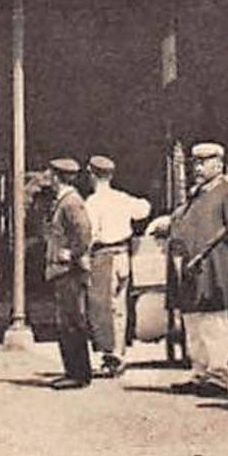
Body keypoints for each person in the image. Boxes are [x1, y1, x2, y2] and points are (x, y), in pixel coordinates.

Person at [167, 142, 228, 396]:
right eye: (196, 163)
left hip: (212, 267)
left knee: (214, 322)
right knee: (193, 322)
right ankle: (199, 371)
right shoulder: (197, 194)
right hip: (191, 269)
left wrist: (226, 265)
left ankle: (217, 375)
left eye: (204, 162)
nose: (199, 167)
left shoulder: (226, 193)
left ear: (219, 164)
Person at [83, 154, 150, 377]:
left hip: (104, 255)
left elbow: (90, 234)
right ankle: (120, 352)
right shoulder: (122, 198)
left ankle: (111, 356)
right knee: (120, 306)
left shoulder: (93, 202)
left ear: (92, 175)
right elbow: (143, 209)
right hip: (124, 254)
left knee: (102, 307)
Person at [43, 158, 94, 389]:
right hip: (62, 271)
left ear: (58, 177)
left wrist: (72, 253)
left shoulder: (71, 202)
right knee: (66, 321)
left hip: (69, 272)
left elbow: (83, 232)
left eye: (51, 175)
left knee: (71, 321)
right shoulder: (63, 201)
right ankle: (73, 371)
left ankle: (78, 374)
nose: (48, 179)